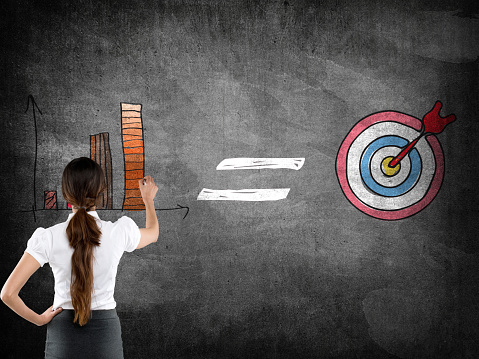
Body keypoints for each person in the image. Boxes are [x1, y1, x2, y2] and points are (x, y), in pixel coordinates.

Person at [1, 157, 159, 358]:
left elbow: (7, 294)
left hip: (62, 337)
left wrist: (39, 320)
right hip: (105, 339)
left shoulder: (48, 237)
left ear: (66, 195)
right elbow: (153, 233)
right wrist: (148, 200)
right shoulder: (118, 232)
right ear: (101, 193)